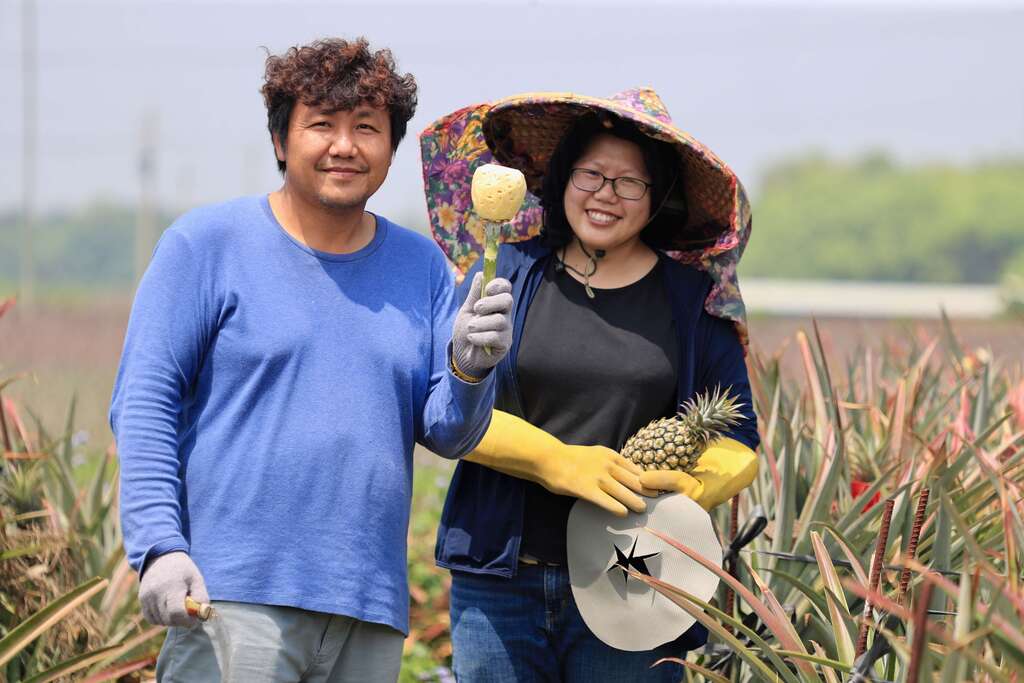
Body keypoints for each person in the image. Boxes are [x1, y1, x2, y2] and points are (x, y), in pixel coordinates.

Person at [110, 38, 513, 683]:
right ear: (280, 140)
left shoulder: (422, 267)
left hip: (367, 606)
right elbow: (145, 402)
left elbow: (449, 433)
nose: (344, 146)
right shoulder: (206, 246)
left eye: (367, 128)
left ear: (391, 149)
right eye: (322, 124)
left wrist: (471, 367)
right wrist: (159, 546)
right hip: (232, 595)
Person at [419, 88, 760, 681]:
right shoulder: (505, 272)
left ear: (657, 198)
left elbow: (739, 437)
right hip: (501, 582)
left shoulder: (694, 301)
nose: (606, 194)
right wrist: (558, 462)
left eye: (630, 183)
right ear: (561, 180)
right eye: (591, 175)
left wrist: (692, 485)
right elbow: (447, 411)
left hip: (636, 577)